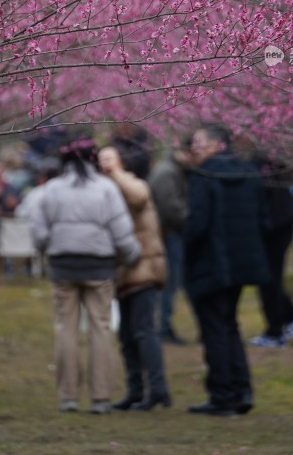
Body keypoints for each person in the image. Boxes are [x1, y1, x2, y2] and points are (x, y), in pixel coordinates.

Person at [30, 127, 141, 415]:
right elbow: (121, 231)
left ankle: (68, 397)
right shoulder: (105, 188)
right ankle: (101, 397)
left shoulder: (52, 189)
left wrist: (49, 249)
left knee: (65, 329)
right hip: (99, 267)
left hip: (63, 267)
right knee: (100, 329)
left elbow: (39, 233)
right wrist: (131, 255)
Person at [184, 123, 271, 417]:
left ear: (215, 145)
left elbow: (197, 224)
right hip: (242, 263)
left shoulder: (205, 175)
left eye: (198, 142)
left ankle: (222, 396)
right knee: (230, 325)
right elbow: (263, 219)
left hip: (211, 262)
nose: (193, 148)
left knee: (214, 329)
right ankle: (241, 389)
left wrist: (186, 250)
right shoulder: (250, 173)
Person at [98, 145, 171, 411]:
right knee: (127, 335)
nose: (104, 163)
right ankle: (135, 390)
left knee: (143, 332)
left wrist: (116, 173)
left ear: (121, 163)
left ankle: (158, 389)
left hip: (144, 268)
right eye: (100, 159)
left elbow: (138, 196)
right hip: (123, 273)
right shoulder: (107, 191)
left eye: (109, 158)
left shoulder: (133, 184)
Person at [249, 154, 293, 347]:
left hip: (274, 228)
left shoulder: (262, 163)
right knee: (270, 278)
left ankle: (276, 331)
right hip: (279, 225)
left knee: (269, 279)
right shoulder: (270, 160)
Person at [148, 140, 191, 345]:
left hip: (166, 233)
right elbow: (169, 209)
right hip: (169, 234)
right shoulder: (168, 172)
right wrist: (190, 218)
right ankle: (163, 326)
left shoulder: (169, 169)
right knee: (169, 282)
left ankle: (163, 325)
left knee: (169, 282)